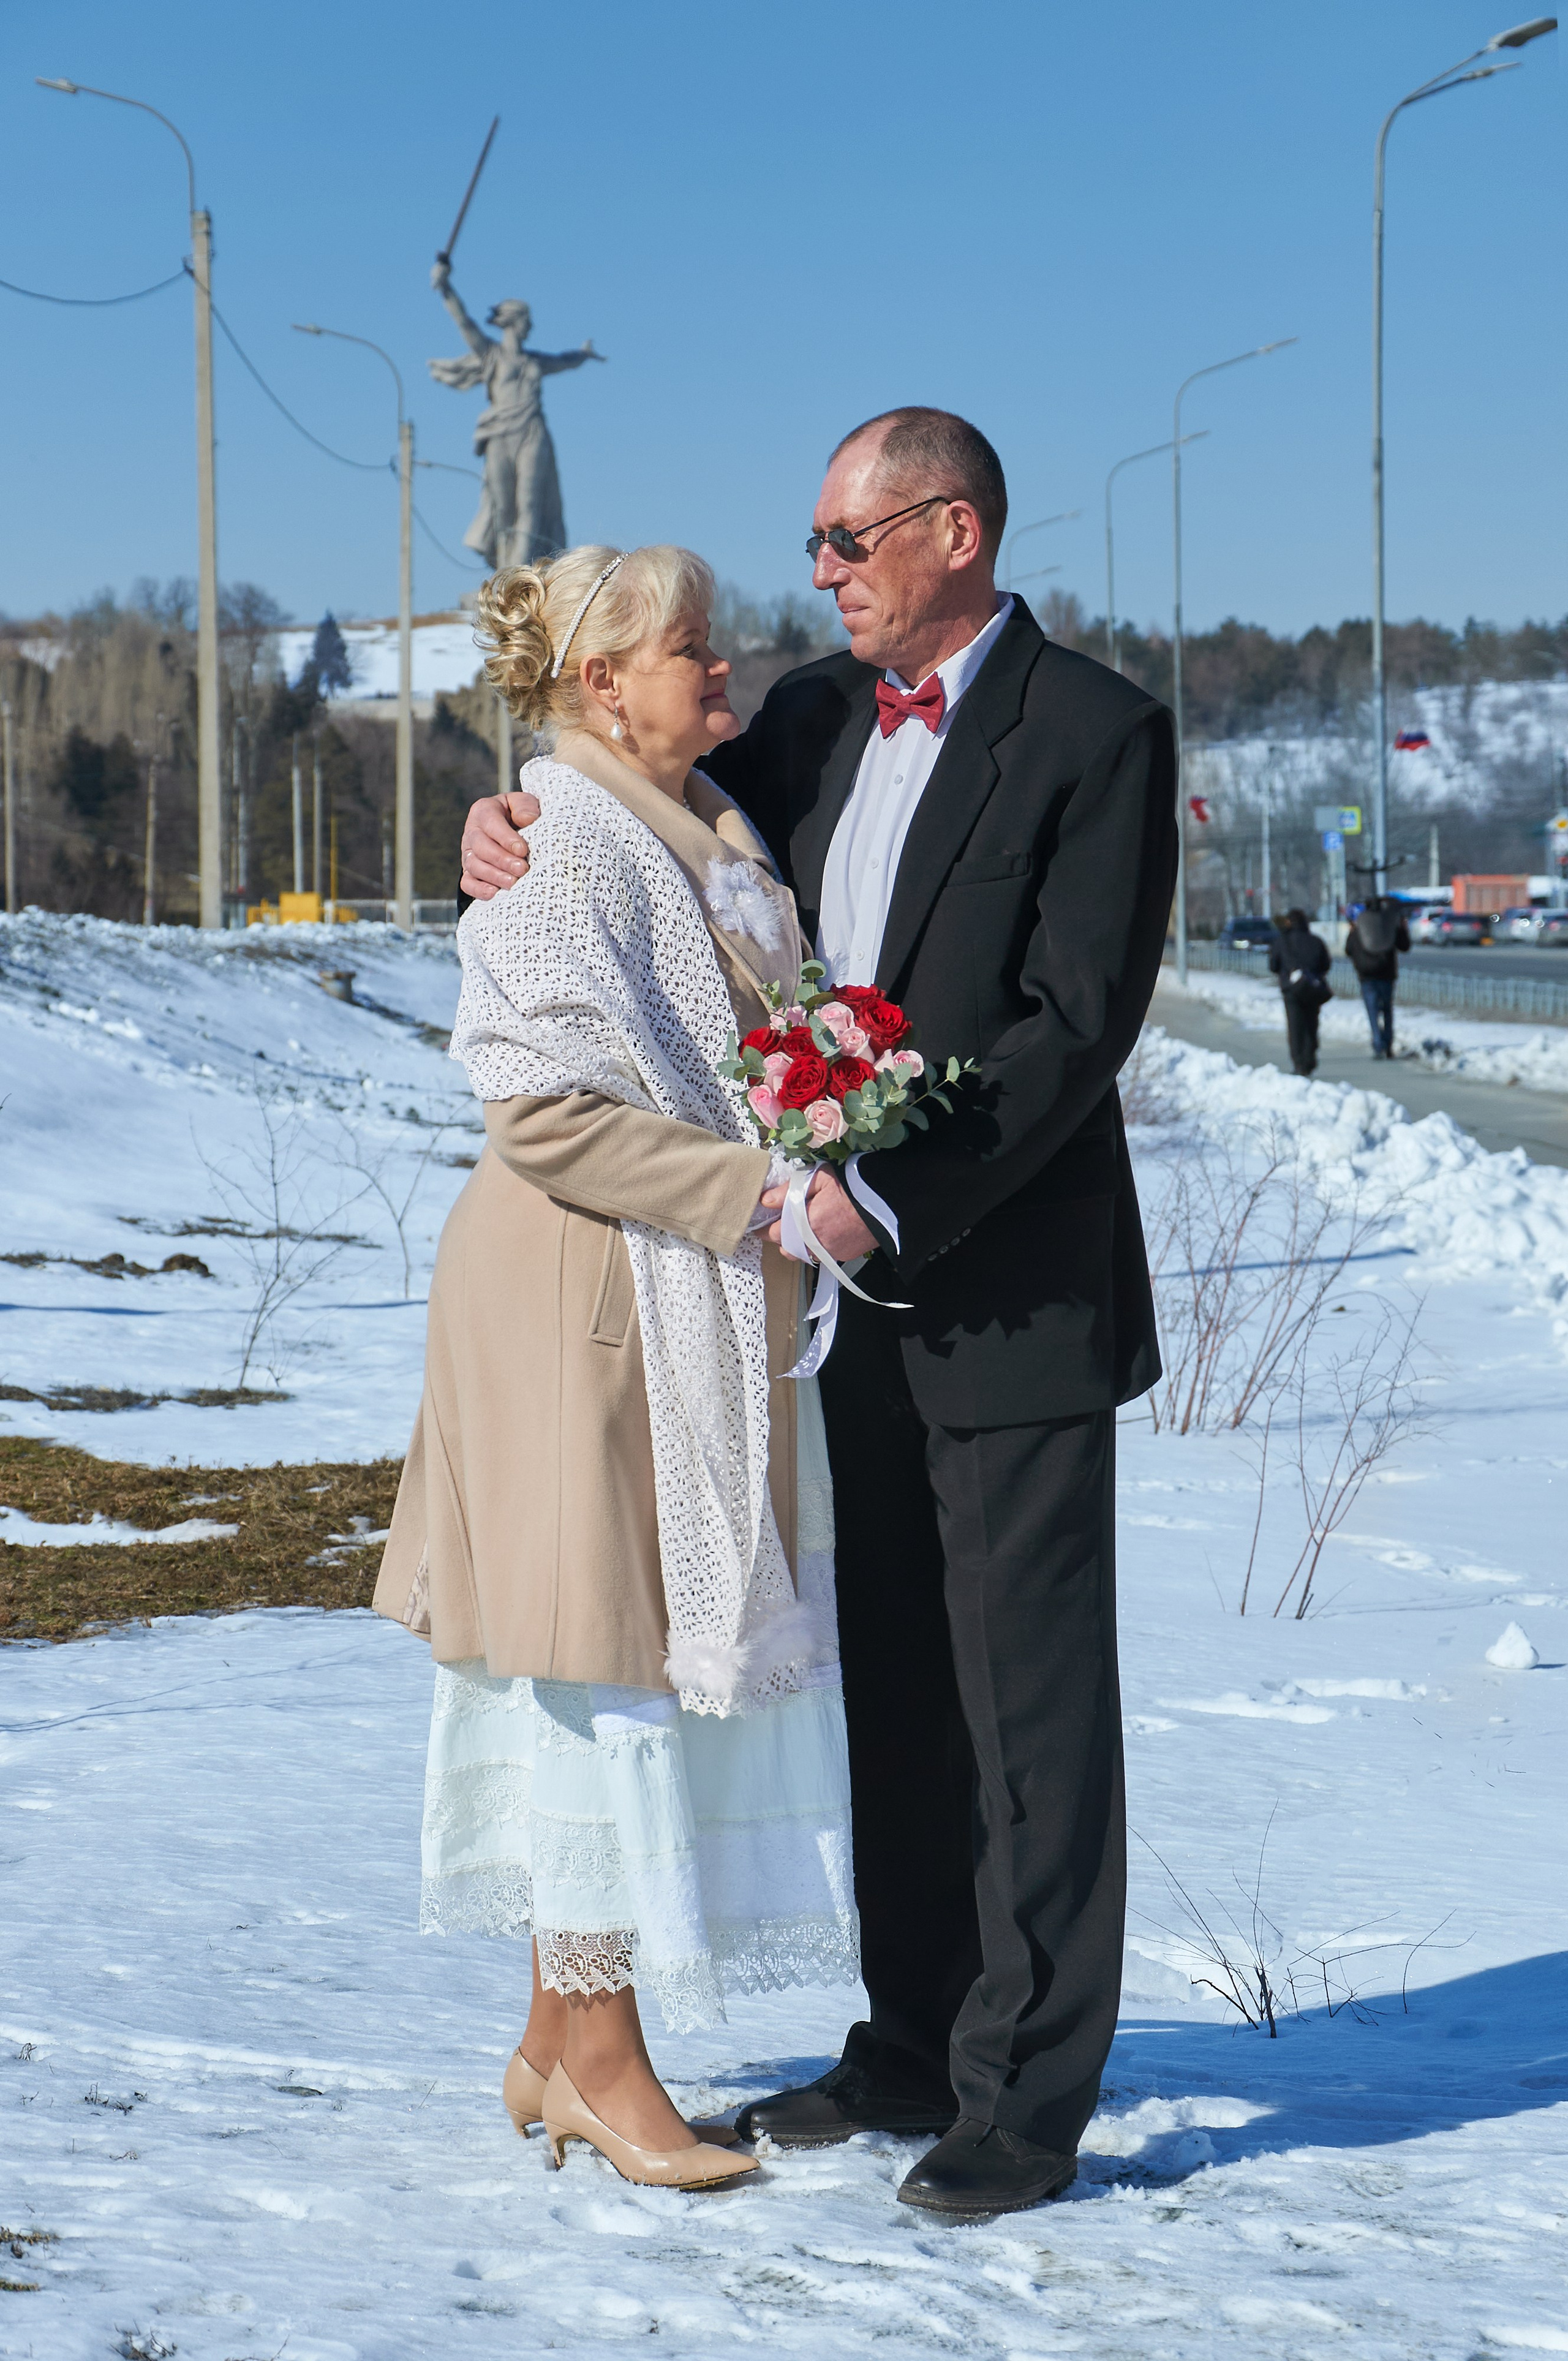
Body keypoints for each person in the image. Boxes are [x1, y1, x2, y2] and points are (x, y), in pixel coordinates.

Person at [460, 408, 1177, 2221]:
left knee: (1030, 1718)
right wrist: (507, 809)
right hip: (828, 1303)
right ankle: (908, 2037)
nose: (820, 576)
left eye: (848, 542)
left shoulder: (1096, 734)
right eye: (814, 547)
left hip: (1005, 1286)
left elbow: (1069, 1029)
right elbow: (651, 810)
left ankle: (1023, 2094)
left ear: (950, 531)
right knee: (905, 1707)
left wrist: (888, 1190)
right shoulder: (809, 718)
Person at [375, 542, 859, 2193]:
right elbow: (545, 1106)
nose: (726, 678)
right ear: (602, 683)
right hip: (588, 1293)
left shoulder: (698, 829)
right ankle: (598, 2057)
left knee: (597, 1661)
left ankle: (546, 2037)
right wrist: (768, 1187)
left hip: (655, 1282)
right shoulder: (569, 844)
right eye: (695, 654)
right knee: (600, 1671)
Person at [1268, 908, 1333, 1076]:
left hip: (1291, 991)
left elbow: (1273, 966)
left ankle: (1299, 1063)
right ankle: (1309, 1058)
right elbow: (1325, 965)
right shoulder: (1316, 941)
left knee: (1295, 1027)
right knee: (1311, 1024)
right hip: (1312, 989)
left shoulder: (1282, 941)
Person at [1346, 894, 1411, 1059]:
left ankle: (1377, 1044)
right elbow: (1404, 946)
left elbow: (1348, 949)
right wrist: (1403, 928)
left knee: (1372, 1010)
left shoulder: (1360, 924)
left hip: (1366, 975)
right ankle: (1388, 1044)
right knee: (1387, 1009)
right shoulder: (1389, 923)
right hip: (1387, 973)